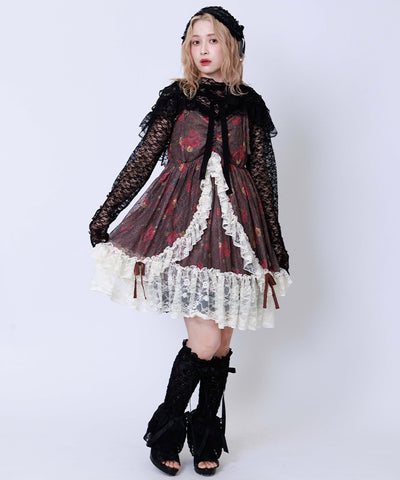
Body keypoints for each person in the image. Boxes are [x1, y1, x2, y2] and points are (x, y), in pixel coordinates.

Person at [89, 6, 292, 476]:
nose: (203, 49)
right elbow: (143, 159)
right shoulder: (177, 98)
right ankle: (166, 432)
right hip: (182, 225)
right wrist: (107, 211)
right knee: (205, 340)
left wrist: (275, 241)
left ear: (232, 47)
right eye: (195, 41)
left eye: (213, 40)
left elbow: (264, 177)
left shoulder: (250, 104)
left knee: (220, 343)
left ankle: (206, 433)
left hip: (238, 229)